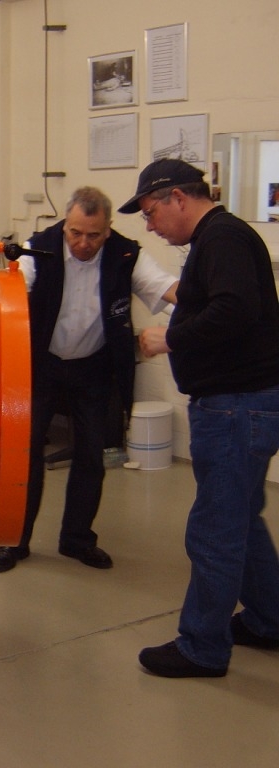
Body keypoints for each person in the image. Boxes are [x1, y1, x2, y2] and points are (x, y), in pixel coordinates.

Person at [120, 158, 279, 677]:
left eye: (150, 212)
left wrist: (171, 337)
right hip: (242, 403)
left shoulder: (223, 238)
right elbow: (219, 303)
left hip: (235, 407)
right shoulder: (217, 239)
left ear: (178, 198)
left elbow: (235, 309)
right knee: (241, 520)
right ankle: (268, 621)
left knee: (216, 530)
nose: (150, 226)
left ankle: (202, 648)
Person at [0, 186, 178, 574]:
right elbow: (8, 299)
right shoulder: (38, 249)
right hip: (40, 366)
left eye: (94, 235)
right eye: (75, 233)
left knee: (92, 456)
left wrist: (211, 303)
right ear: (65, 225)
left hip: (93, 368)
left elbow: (166, 288)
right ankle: (14, 540)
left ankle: (76, 539)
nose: (83, 243)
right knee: (24, 457)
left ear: (107, 229)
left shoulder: (126, 254)